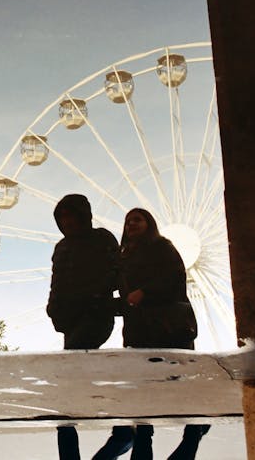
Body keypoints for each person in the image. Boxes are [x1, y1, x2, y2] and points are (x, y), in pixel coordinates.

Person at [116, 208, 210, 460]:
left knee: (178, 383)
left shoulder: (162, 247)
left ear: (149, 223)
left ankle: (193, 432)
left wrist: (145, 292)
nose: (131, 224)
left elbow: (175, 278)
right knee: (144, 388)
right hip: (139, 331)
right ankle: (145, 443)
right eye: (127, 221)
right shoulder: (124, 256)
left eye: (137, 219)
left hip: (168, 329)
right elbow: (124, 295)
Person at [46, 194, 121, 460]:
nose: (66, 222)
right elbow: (57, 281)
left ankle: (121, 432)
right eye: (62, 218)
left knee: (69, 382)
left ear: (83, 215)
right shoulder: (62, 247)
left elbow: (117, 273)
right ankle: (121, 432)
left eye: (70, 216)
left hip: (96, 315)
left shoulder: (103, 239)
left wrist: (96, 296)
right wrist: (53, 309)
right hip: (71, 319)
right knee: (73, 382)